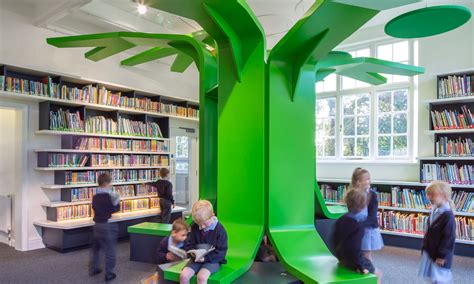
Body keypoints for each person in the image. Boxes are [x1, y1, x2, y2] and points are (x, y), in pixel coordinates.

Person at [333, 189, 382, 283]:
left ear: (347, 203)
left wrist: (340, 258)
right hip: (355, 262)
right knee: (378, 274)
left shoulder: (340, 220)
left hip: (342, 258)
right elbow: (355, 248)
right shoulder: (358, 225)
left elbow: (334, 239)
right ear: (362, 206)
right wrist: (360, 267)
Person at [180, 200, 228, 284]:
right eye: (199, 224)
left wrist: (205, 259)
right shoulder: (195, 227)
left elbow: (221, 252)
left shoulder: (220, 231)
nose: (202, 226)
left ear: (212, 216)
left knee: (201, 278)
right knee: (184, 275)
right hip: (196, 259)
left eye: (205, 224)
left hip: (212, 260)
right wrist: (192, 253)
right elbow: (189, 245)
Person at [418, 181, 456, 284]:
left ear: (444, 196)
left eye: (432, 194)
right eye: (428, 194)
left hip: (440, 256)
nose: (428, 197)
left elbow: (448, 238)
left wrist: (442, 255)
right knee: (433, 277)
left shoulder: (448, 216)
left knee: (441, 278)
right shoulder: (435, 210)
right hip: (432, 252)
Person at [89, 173, 120, 282]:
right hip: (106, 225)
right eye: (110, 183)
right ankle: (109, 273)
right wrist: (117, 202)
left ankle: (94, 268)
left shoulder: (95, 196)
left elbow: (94, 207)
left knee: (96, 248)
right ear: (106, 184)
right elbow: (113, 210)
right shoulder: (109, 197)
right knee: (110, 251)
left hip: (96, 225)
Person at [350, 167, 384, 261]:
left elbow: (372, 215)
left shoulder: (372, 195)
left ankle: (370, 272)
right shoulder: (352, 195)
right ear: (358, 182)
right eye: (367, 179)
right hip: (355, 228)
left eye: (369, 178)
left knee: (366, 254)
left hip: (367, 229)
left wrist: (361, 226)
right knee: (356, 252)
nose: (370, 181)